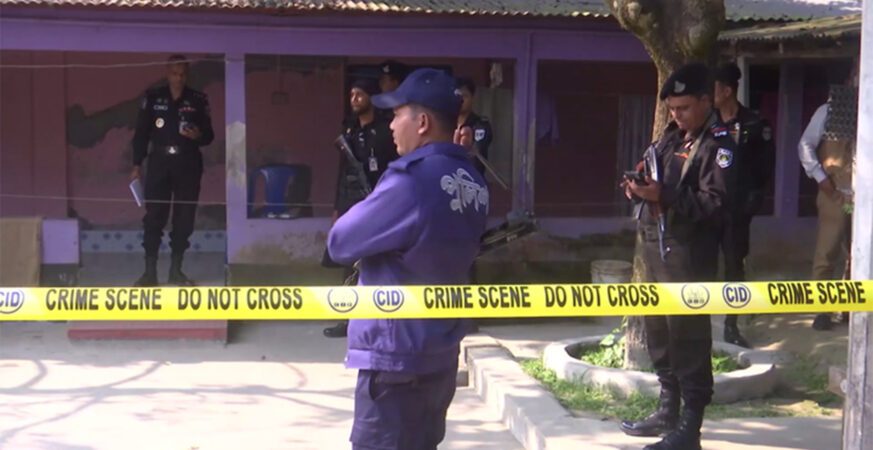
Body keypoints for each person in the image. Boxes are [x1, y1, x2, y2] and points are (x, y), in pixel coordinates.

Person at [327, 68, 488, 450]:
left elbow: (340, 242)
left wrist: (374, 202)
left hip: (396, 357)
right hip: (440, 352)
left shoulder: (411, 180)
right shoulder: (472, 179)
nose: (391, 125)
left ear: (423, 122)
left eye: (397, 115)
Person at [619, 63, 736, 450]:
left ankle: (690, 425)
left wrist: (663, 195)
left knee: (688, 336)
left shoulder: (719, 146)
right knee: (659, 332)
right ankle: (667, 408)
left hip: (689, 253)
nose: (676, 115)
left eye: (683, 108)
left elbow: (714, 205)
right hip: (656, 247)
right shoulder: (671, 138)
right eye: (671, 109)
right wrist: (638, 187)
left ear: (705, 101)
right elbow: (654, 174)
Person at [323, 78, 398, 338]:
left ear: (372, 98)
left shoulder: (386, 131)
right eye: (352, 94)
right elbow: (343, 171)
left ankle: (381, 319)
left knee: (381, 260)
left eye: (360, 94)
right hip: (351, 203)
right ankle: (347, 319)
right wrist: (337, 208)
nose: (354, 99)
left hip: (378, 203)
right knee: (350, 262)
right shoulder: (350, 130)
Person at [131, 55, 214, 287]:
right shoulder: (153, 97)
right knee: (154, 216)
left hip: (188, 162)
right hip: (159, 162)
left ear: (187, 75)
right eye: (175, 74)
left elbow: (209, 135)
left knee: (184, 217)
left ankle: (176, 271)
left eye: (183, 74)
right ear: (167, 73)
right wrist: (136, 165)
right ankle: (149, 273)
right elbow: (141, 134)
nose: (179, 78)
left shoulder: (198, 99)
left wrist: (198, 135)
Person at [712, 62, 775, 347]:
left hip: (737, 210)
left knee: (734, 266)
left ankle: (731, 326)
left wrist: (752, 202)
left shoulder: (754, 123)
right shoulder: (707, 121)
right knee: (699, 263)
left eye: (713, 88)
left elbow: (765, 167)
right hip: (707, 207)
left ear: (727, 91)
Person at [798, 61, 858, 331]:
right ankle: (822, 309)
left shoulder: (868, 111)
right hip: (835, 195)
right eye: (855, 74)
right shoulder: (828, 112)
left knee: (859, 254)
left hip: (863, 199)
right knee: (827, 251)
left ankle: (850, 308)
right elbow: (805, 144)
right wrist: (820, 177)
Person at [455, 77, 493, 176]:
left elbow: (478, 153)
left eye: (465, 96)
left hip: (472, 178)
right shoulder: (446, 124)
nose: (461, 100)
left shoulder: (480, 124)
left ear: (473, 98)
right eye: (458, 96)